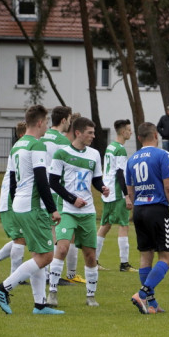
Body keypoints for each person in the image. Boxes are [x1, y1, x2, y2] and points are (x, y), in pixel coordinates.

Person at [0, 104, 63, 316]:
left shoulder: (17, 146)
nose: (47, 126)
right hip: (33, 206)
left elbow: (12, 181)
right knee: (47, 257)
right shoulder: (36, 146)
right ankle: (3, 288)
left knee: (37, 254)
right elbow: (42, 179)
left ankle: (40, 305)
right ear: (40, 122)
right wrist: (52, 209)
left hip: (20, 206)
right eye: (47, 122)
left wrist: (15, 205)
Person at [45, 117, 108, 308]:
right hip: (67, 209)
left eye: (94, 133)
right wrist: (72, 199)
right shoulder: (61, 154)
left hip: (87, 212)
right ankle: (52, 293)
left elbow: (96, 179)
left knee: (90, 254)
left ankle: (90, 296)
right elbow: (53, 182)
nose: (93, 136)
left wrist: (103, 188)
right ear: (78, 133)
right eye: (90, 133)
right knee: (62, 248)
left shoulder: (95, 154)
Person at [126, 122, 169, 315]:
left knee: (145, 256)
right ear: (156, 135)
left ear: (139, 138)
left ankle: (151, 303)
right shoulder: (162, 155)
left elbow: (130, 189)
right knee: (167, 257)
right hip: (157, 209)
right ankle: (143, 293)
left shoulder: (131, 159)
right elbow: (168, 187)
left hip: (139, 209)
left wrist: (137, 205)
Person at [0, 121, 27, 281]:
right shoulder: (20, 149)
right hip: (11, 199)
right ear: (23, 134)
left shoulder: (24, 148)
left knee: (25, 238)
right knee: (20, 238)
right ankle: (15, 277)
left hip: (19, 197)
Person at [44, 106, 83, 284]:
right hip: (55, 191)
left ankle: (47, 273)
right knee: (56, 233)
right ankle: (52, 275)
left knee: (45, 232)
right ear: (64, 120)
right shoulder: (62, 142)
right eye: (68, 119)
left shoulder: (42, 136)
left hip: (40, 190)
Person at [97, 119, 133, 272]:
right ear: (123, 131)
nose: (130, 132)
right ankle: (124, 264)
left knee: (105, 225)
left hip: (108, 191)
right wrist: (127, 196)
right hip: (117, 192)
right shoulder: (120, 149)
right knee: (124, 225)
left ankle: (94, 261)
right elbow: (120, 173)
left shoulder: (110, 146)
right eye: (129, 130)